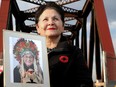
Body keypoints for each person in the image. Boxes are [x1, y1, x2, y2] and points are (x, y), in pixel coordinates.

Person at [35, 2, 93, 87]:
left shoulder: (74, 53)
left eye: (55, 19)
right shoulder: (28, 53)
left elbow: (85, 83)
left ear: (63, 26)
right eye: (45, 19)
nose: (51, 23)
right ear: (37, 27)